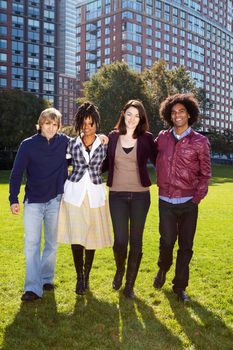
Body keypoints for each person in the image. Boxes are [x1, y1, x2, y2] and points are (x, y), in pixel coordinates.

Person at [153, 93, 211, 302]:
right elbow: (143, 148)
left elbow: (205, 174)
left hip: (188, 203)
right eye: (174, 112)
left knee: (185, 246)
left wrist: (196, 198)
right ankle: (162, 269)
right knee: (167, 242)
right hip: (166, 202)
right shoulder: (162, 138)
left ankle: (180, 287)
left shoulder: (200, 141)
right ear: (169, 115)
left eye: (181, 111)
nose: (177, 115)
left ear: (189, 114)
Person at [9, 108, 69, 301]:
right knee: (32, 244)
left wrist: (102, 137)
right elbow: (17, 173)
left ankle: (45, 278)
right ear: (40, 124)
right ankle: (33, 288)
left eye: (54, 124)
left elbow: (86, 142)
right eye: (47, 124)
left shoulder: (64, 142)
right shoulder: (28, 145)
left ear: (58, 126)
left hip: (55, 200)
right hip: (33, 201)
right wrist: (13, 198)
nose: (51, 128)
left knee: (52, 243)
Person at [57, 102, 113, 295]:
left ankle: (87, 275)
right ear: (79, 123)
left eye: (91, 123)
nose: (87, 127)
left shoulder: (105, 143)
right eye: (84, 123)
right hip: (74, 195)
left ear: (97, 123)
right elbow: (62, 166)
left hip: (95, 195)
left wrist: (105, 137)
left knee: (91, 237)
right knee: (77, 237)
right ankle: (79, 278)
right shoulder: (71, 143)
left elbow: (109, 165)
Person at [104, 99, 157, 299]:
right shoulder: (112, 137)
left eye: (137, 115)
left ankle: (129, 285)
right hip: (117, 195)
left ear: (141, 118)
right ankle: (120, 269)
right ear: (123, 115)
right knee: (120, 240)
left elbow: (161, 159)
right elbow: (103, 163)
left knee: (136, 241)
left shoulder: (147, 138)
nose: (132, 119)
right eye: (129, 114)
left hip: (140, 196)